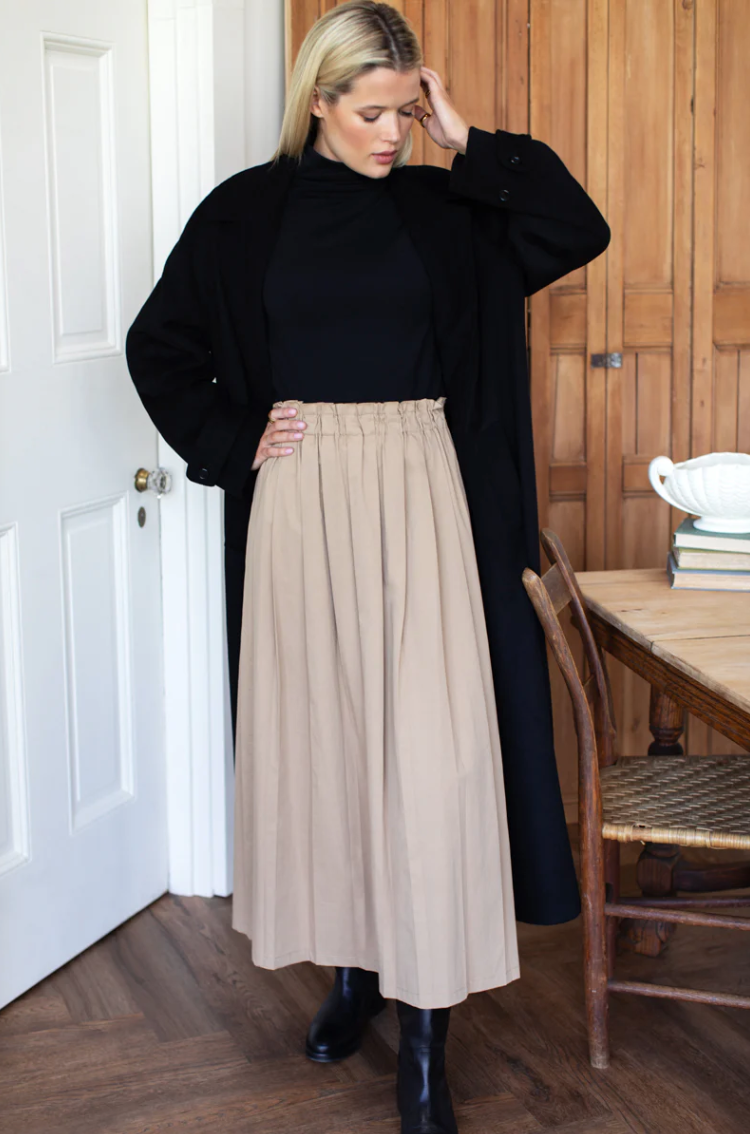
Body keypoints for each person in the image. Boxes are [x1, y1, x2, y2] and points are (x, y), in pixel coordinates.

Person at [125, 4, 611, 1131]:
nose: (391, 134)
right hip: (301, 501)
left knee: (432, 760)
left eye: (405, 111)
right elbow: (162, 345)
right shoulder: (245, 215)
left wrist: (469, 141)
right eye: (372, 113)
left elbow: (574, 227)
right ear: (318, 103)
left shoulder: (450, 209)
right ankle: (349, 974)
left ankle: (428, 1038)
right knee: (327, 745)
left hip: (425, 491)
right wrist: (230, 437)